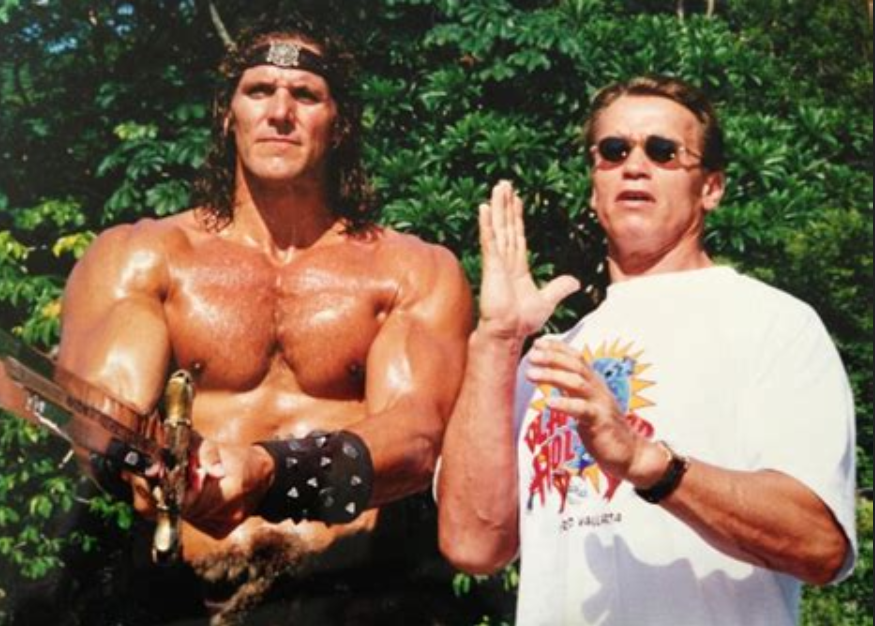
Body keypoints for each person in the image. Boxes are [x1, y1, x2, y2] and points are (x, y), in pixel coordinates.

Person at [10, 16, 476, 626]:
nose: (279, 112)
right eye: (258, 91)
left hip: (351, 597)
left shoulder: (411, 270)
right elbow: (101, 416)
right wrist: (143, 462)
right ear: (228, 114)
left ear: (339, 123)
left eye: (305, 95)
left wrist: (270, 472)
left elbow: (417, 440)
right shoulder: (142, 257)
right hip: (186, 597)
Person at [437, 75, 858, 626]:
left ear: (711, 187)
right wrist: (496, 339)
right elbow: (473, 545)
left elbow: (820, 544)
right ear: (594, 187)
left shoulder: (773, 324)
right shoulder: (551, 355)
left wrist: (649, 464)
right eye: (613, 151)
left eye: (663, 151)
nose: (635, 166)